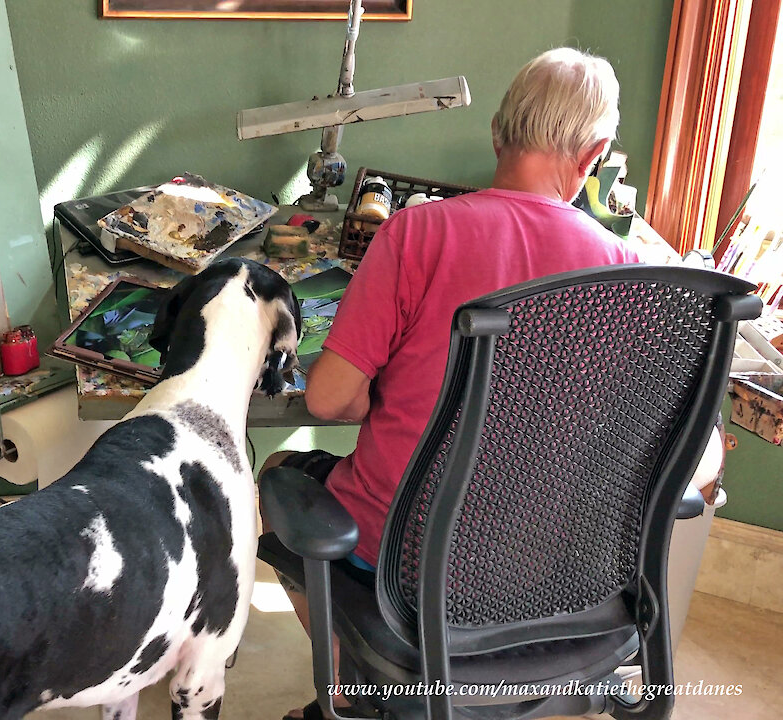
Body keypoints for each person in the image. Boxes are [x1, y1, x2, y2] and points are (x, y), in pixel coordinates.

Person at [261, 47, 640, 720]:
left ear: (496, 132)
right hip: (549, 572)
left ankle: (355, 691)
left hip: (403, 566)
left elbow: (326, 399)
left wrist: (397, 397)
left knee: (285, 471)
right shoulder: (625, 270)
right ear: (594, 155)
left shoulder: (418, 232)